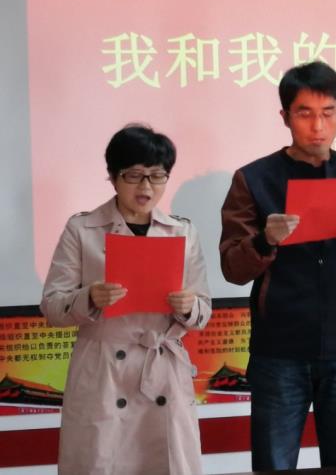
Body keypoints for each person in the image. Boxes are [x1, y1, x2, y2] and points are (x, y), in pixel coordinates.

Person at [219, 61, 336, 470]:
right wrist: (265, 240)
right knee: (274, 465)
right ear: (285, 116)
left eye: (327, 113)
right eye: (305, 113)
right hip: (279, 351)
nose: (318, 126)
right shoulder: (254, 179)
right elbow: (232, 267)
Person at [40, 124, 211, 474]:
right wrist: (90, 297)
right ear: (113, 176)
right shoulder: (82, 229)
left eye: (157, 176)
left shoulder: (183, 231)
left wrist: (188, 307)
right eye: (134, 175)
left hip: (162, 368)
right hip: (104, 371)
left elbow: (203, 311)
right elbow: (53, 307)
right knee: (102, 462)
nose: (146, 187)